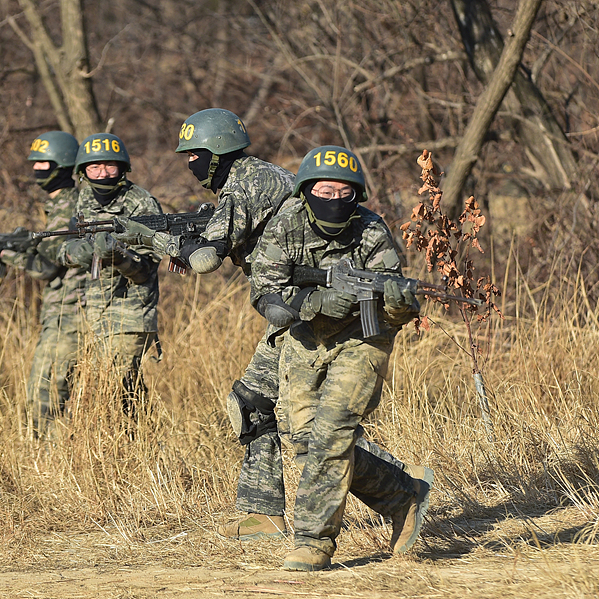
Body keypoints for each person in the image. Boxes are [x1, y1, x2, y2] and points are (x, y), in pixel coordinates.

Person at [113, 110, 429, 547]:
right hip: (291, 302)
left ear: (216, 152)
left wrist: (149, 238)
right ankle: (262, 515)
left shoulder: (244, 182)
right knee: (254, 405)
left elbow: (206, 260)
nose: (189, 164)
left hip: (309, 308)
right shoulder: (248, 179)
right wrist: (183, 234)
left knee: (309, 432)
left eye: (194, 155)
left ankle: (401, 491)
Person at [250, 145, 432, 571]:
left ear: (357, 196)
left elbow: (392, 313)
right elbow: (267, 296)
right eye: (323, 190)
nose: (333, 199)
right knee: (305, 443)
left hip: (362, 340)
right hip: (303, 339)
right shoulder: (286, 225)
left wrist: (401, 305)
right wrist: (314, 303)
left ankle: (313, 541)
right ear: (305, 190)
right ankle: (403, 493)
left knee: (333, 432)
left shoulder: (371, 233)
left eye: (343, 192)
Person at [0, 131, 89, 437]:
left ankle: (49, 462)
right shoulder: (63, 205)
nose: (37, 170)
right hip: (65, 312)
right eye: (35, 163)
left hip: (69, 314)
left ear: (62, 166)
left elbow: (47, 269)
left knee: (44, 396)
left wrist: (1, 253)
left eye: (44, 163)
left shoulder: (68, 206)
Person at [56, 133, 162, 413]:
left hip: (131, 310)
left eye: (110, 166)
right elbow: (61, 248)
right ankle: (145, 444)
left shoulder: (141, 203)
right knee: (125, 391)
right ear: (82, 172)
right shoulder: (82, 201)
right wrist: (74, 253)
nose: (102, 173)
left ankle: (136, 445)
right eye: (94, 167)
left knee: (116, 389)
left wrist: (118, 258)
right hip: (95, 309)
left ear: (123, 168)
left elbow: (147, 268)